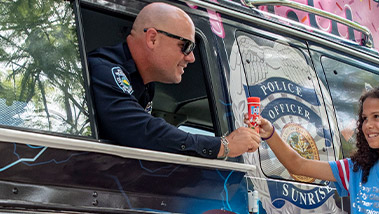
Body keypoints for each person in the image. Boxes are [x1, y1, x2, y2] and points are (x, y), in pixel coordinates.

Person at [86, 2, 260, 159]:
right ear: (152, 38)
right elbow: (140, 130)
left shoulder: (145, 86)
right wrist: (223, 146)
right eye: (186, 46)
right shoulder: (104, 70)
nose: (191, 57)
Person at [251, 83, 379, 214]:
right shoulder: (357, 169)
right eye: (365, 118)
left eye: (377, 116)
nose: (367, 125)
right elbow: (298, 165)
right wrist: (270, 133)